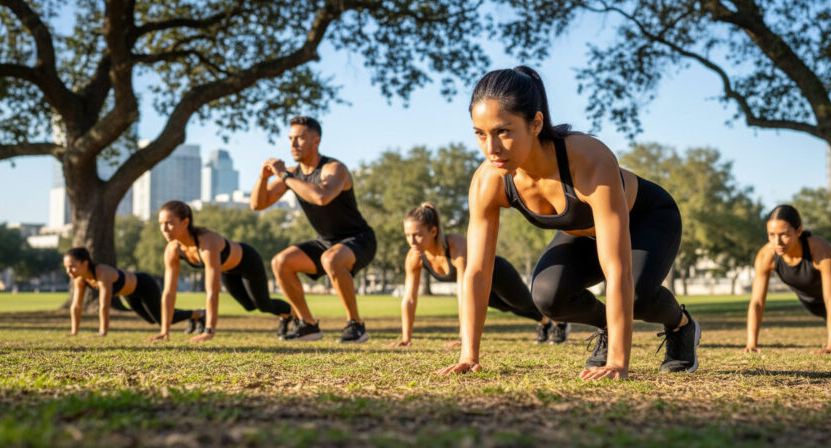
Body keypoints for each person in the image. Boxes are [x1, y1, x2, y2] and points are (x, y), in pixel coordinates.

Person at [435, 66, 700, 381]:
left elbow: (617, 269)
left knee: (638, 295)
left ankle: (682, 325)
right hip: (582, 233)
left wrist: (617, 362)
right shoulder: (487, 181)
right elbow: (478, 271)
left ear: (536, 123)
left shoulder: (587, 159)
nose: (491, 149)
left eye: (503, 131)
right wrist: (469, 354)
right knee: (548, 296)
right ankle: (608, 325)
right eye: (480, 133)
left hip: (647, 218)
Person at [251, 116, 377, 343]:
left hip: (359, 239)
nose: (293, 144)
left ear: (316, 141)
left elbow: (322, 196)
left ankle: (356, 324)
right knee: (281, 262)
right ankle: (308, 324)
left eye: (300, 138)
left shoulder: (334, 168)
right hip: (325, 241)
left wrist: (285, 176)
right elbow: (258, 204)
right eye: (290, 139)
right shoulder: (292, 174)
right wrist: (262, 177)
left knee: (331, 259)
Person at [393, 202, 565, 348]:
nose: (412, 241)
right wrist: (406, 338)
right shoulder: (414, 257)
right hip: (478, 284)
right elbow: (409, 299)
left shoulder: (455, 247)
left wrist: (463, 339)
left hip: (498, 273)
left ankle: (560, 321)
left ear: (433, 231)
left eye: (418, 235)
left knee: (522, 303)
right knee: (509, 308)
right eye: (408, 235)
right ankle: (544, 322)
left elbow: (463, 294)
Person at [743, 205, 831, 353]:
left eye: (784, 234)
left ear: (798, 231)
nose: (777, 242)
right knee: (828, 313)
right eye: (771, 235)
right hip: (809, 297)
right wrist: (751, 344)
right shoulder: (766, 256)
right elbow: (757, 302)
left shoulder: (819, 249)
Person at [152, 200, 294, 342]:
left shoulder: (207, 242)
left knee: (263, 305)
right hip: (227, 271)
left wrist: (209, 331)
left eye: (169, 223)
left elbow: (212, 291)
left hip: (248, 261)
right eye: (160, 224)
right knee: (249, 306)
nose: (164, 229)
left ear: (185, 222)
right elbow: (169, 292)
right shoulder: (173, 249)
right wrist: (165, 330)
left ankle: (296, 314)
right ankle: (288, 316)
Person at [63, 247, 204, 336]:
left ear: (85, 263)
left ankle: (199, 313)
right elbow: (76, 306)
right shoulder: (80, 280)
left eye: (72, 266)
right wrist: (74, 331)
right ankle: (194, 316)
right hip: (130, 295)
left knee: (163, 320)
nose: (68, 271)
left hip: (144, 285)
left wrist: (102, 332)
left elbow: (104, 305)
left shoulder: (102, 272)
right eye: (66, 267)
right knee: (152, 319)